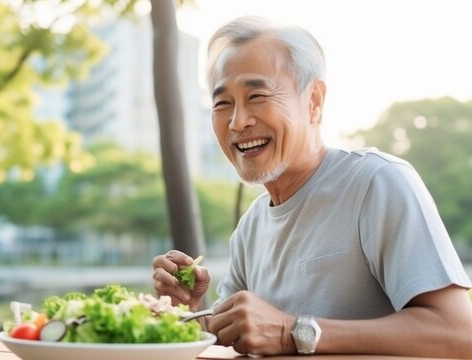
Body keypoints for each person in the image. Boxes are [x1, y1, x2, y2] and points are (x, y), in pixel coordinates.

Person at [152, 16, 472, 358]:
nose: (238, 121)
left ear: (314, 101)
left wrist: (294, 332)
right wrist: (191, 308)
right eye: (222, 103)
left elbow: (458, 334)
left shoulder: (376, 183)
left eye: (257, 95)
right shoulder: (251, 226)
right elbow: (233, 339)